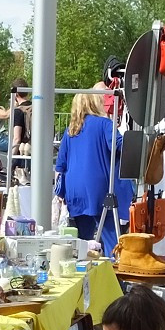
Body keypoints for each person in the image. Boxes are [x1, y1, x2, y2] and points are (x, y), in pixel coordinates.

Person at [55, 93, 132, 258]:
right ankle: (115, 276)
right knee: (110, 235)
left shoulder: (70, 130)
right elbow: (119, 145)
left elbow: (60, 164)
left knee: (84, 242)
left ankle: (85, 277)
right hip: (97, 187)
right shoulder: (104, 124)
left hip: (74, 188)